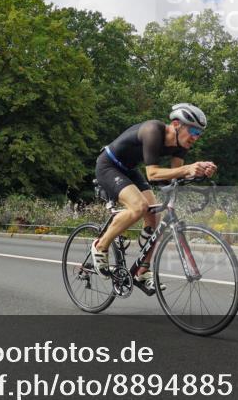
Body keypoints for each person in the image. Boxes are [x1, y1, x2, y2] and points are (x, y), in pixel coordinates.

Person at [91, 103, 217, 295]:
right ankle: (100, 245)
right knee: (139, 207)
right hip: (109, 165)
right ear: (176, 124)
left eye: (199, 134)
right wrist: (188, 168)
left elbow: (173, 177)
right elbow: (153, 174)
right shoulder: (153, 130)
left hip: (130, 170)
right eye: (193, 130)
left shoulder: (181, 145)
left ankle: (141, 271)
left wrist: (199, 173)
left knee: (154, 216)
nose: (195, 137)